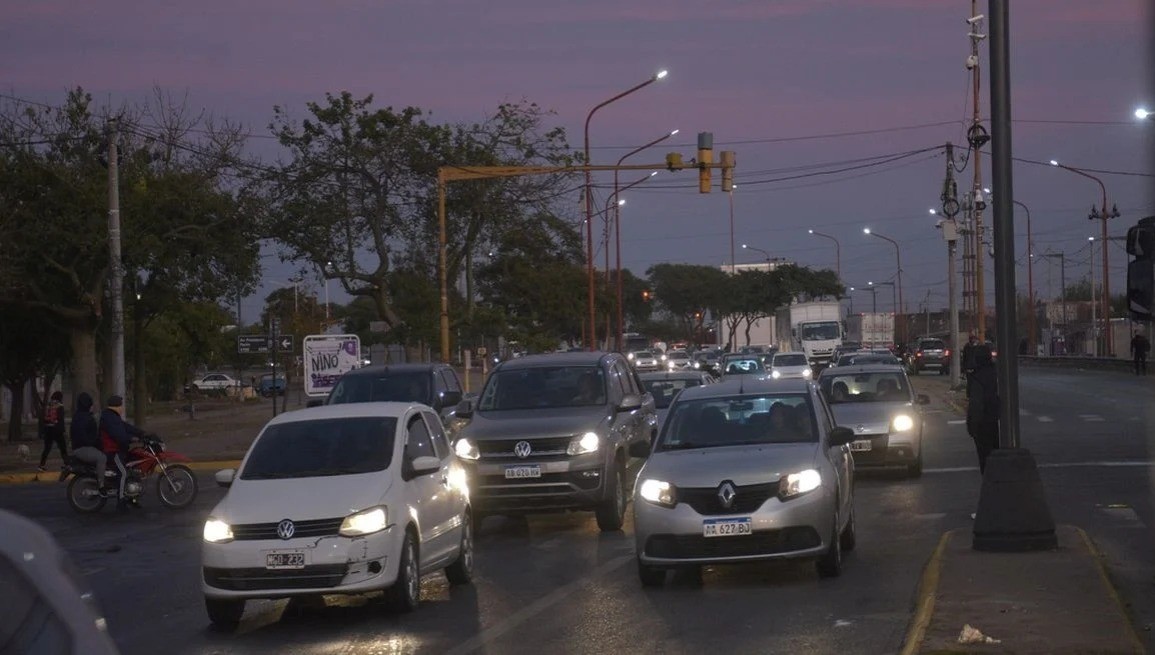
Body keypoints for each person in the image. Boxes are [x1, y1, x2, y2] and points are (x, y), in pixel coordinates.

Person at [99, 395, 146, 507]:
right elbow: (119, 435)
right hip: (112, 451)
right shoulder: (109, 418)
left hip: (118, 449)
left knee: (133, 469)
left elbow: (126, 427)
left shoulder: (113, 417)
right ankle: (121, 500)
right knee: (123, 472)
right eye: (121, 406)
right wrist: (132, 439)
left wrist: (142, 433)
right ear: (116, 407)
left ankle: (132, 498)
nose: (122, 408)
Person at [965, 344, 999, 475]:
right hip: (996, 421)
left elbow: (976, 404)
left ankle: (990, 483)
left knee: (985, 458)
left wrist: (972, 426)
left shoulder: (977, 377)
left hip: (983, 424)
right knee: (995, 454)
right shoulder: (995, 373)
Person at [68, 392, 108, 495]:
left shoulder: (78, 416)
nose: (92, 407)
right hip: (83, 448)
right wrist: (96, 444)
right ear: (88, 405)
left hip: (82, 446)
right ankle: (101, 485)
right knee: (102, 457)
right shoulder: (86, 418)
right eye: (91, 405)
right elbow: (87, 437)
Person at [38, 391, 68, 472]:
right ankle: (67, 464)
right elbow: (61, 420)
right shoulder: (60, 406)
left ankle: (41, 465)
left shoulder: (49, 405)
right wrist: (63, 431)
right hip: (57, 430)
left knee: (47, 448)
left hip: (48, 429)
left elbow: (45, 418)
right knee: (63, 448)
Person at [960, 331, 981, 397]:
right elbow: (965, 358)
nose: (973, 340)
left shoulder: (977, 347)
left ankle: (973, 394)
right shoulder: (967, 347)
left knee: (975, 382)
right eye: (972, 339)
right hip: (970, 367)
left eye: (974, 339)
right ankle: (969, 395)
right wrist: (964, 368)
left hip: (975, 367)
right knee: (970, 382)